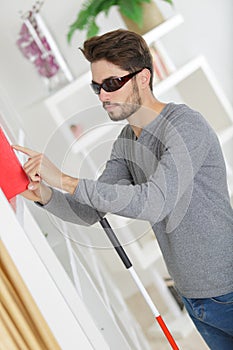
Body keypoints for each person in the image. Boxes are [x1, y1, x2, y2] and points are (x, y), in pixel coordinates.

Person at [13, 29, 233, 349]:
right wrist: (44, 195)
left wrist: (63, 179)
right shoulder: (127, 143)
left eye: (112, 84)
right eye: (96, 87)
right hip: (195, 297)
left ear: (143, 78)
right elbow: (89, 211)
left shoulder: (185, 126)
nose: (102, 95)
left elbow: (155, 202)